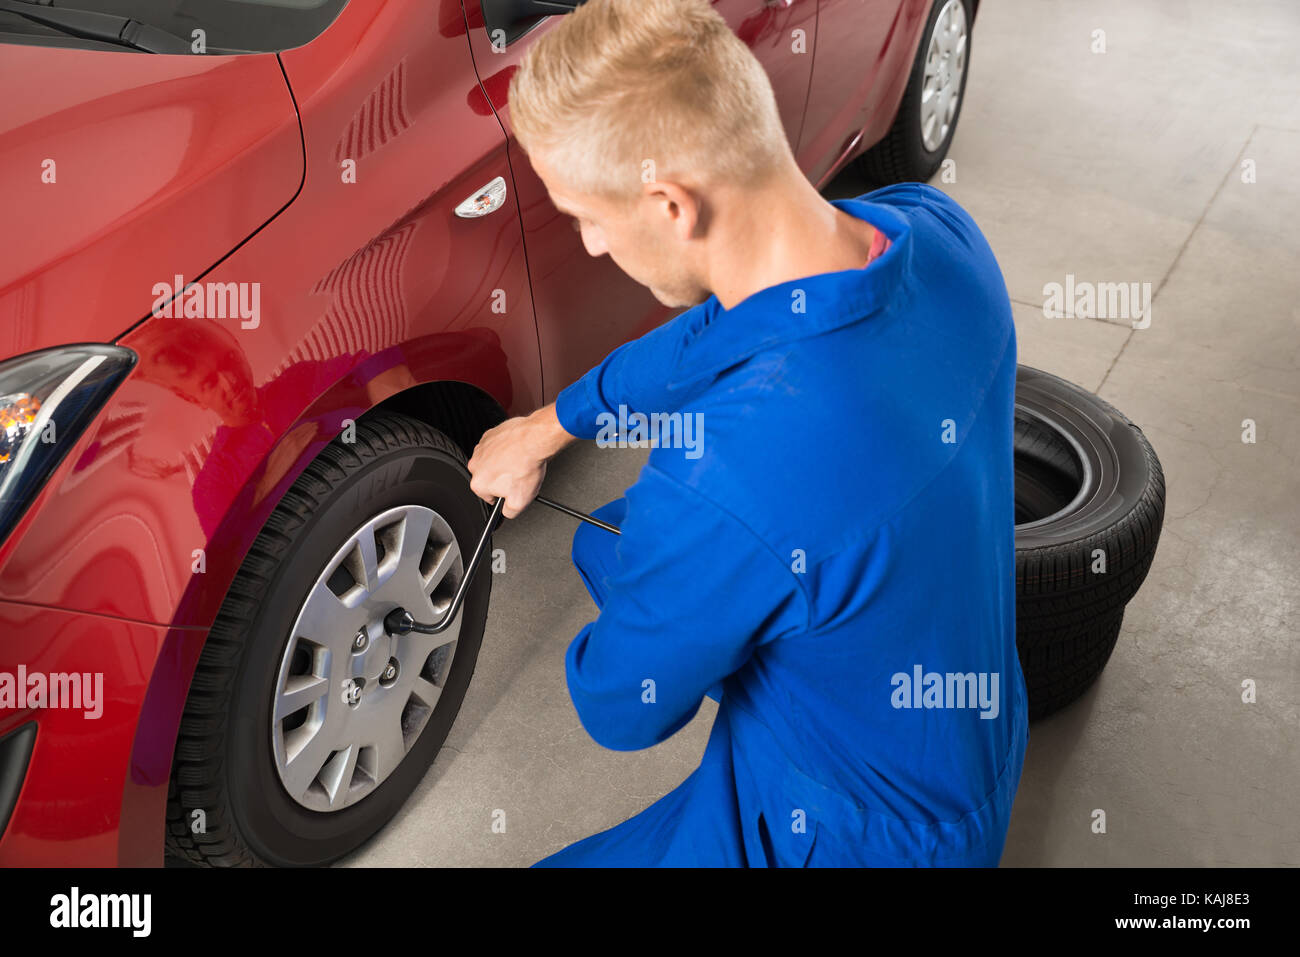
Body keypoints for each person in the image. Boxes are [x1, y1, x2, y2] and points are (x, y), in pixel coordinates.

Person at [466, 0, 1027, 866]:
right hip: (960, 748)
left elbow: (624, 707)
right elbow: (724, 333)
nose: (586, 241)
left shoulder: (726, 473)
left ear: (667, 205)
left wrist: (647, 568)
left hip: (842, 833)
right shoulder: (938, 233)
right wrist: (548, 425)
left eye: (585, 214)